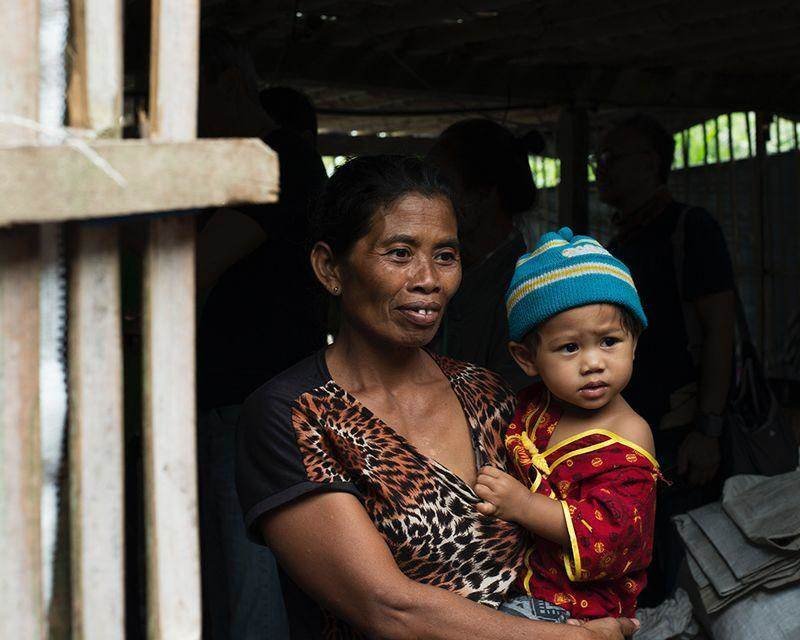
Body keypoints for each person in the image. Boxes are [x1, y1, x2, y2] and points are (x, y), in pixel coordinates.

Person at [235, 155, 638, 640]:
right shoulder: (294, 415)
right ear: (329, 267)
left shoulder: (488, 393)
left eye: (446, 256)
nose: (428, 279)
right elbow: (387, 608)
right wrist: (576, 639)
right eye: (399, 253)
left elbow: (589, 512)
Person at [195, 28, 327, 640]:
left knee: (251, 587)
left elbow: (191, 269)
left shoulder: (279, 159)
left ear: (227, 83)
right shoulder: (232, 166)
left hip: (255, 410)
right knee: (230, 584)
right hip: (232, 406)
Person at [474, 227, 659, 623]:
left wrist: (523, 505)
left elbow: (614, 535)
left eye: (609, 341)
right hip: (521, 582)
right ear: (527, 359)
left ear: (635, 343)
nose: (593, 363)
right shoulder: (535, 406)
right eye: (570, 347)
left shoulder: (628, 435)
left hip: (583, 609)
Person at [596, 113, 736, 603]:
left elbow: (720, 331)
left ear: (650, 163)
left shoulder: (689, 228)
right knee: (645, 574)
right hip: (637, 434)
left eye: (611, 157)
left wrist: (709, 429)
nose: (600, 168)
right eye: (597, 158)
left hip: (683, 434)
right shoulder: (619, 243)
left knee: (689, 575)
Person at [427, 119, 539, 390]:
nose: (429, 198)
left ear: (483, 194)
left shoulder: (522, 293)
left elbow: (512, 401)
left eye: (443, 185)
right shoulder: (451, 274)